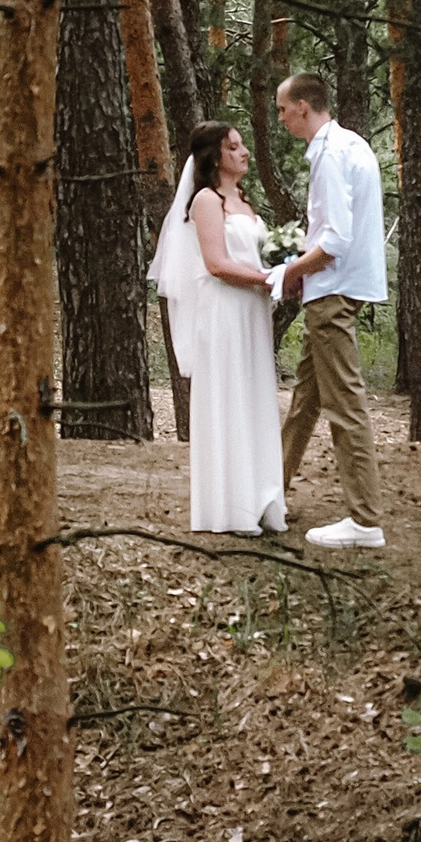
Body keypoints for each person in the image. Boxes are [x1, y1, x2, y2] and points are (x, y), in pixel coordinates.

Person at [146, 122, 288, 537]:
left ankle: (263, 498)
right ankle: (231, 507)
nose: (244, 152)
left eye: (243, 145)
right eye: (234, 147)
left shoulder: (243, 200)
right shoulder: (207, 201)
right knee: (229, 397)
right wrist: (269, 279)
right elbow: (216, 264)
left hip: (253, 312)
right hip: (224, 311)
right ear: (214, 156)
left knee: (255, 397)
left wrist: (282, 271)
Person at [269, 72, 388, 550]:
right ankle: (271, 493)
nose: (279, 119)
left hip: (332, 292)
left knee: (345, 406)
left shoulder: (332, 154)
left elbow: (334, 241)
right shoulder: (349, 145)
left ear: (303, 106)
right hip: (334, 290)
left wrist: (290, 272)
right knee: (305, 401)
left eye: (281, 109)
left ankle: (364, 520)